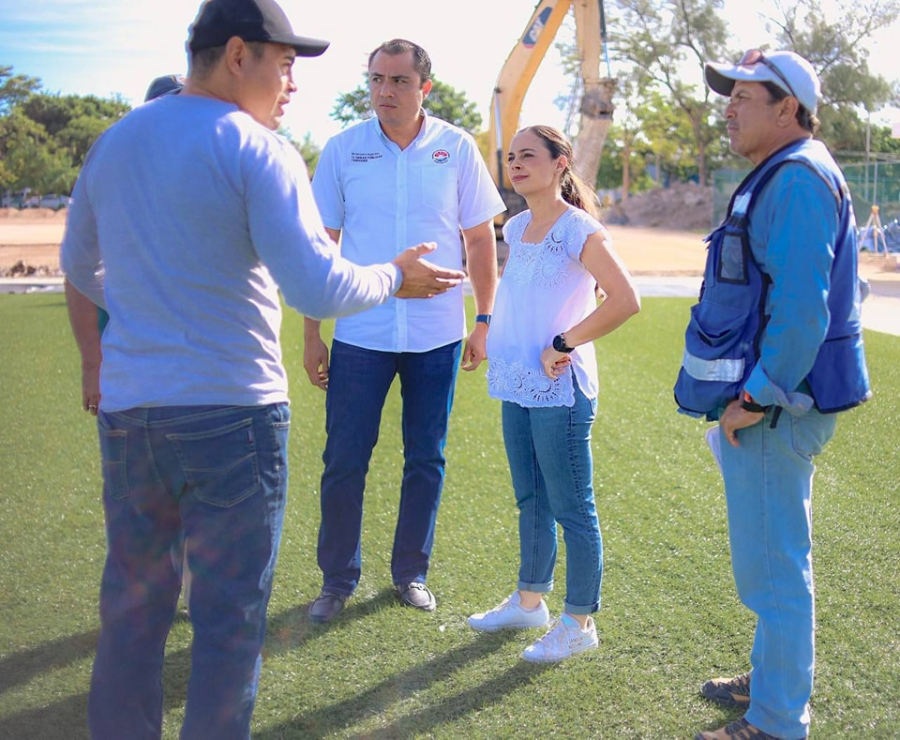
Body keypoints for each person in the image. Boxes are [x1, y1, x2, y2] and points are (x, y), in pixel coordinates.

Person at [60, 0, 465, 736]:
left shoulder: (115, 141)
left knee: (132, 616)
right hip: (230, 416)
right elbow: (316, 285)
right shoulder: (255, 147)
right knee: (227, 623)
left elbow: (80, 268)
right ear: (238, 54)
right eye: (285, 64)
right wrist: (391, 279)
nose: (292, 84)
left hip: (131, 416)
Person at [673, 50, 871, 740]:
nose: (728, 106)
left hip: (780, 406)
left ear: (788, 108)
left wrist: (754, 399)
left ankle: (777, 720)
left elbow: (802, 315)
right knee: (774, 556)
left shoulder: (795, 179)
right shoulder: (793, 172)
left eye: (744, 96)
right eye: (727, 95)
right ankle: (774, 677)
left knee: (775, 568)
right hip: (787, 400)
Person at [303, 38, 505, 622]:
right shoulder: (342, 150)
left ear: (424, 88)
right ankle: (336, 580)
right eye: (376, 80)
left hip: (437, 334)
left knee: (426, 458)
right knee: (344, 458)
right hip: (360, 333)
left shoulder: (456, 147)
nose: (385, 91)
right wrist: (314, 332)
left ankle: (410, 573)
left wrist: (484, 319)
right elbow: (324, 247)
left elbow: (478, 240)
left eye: (397, 81)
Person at [467, 125, 640, 662]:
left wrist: (564, 341)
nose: (516, 165)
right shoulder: (516, 227)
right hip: (516, 382)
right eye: (511, 157)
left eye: (528, 156)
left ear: (560, 163)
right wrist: (488, 333)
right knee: (531, 499)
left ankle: (580, 622)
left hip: (561, 389)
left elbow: (624, 298)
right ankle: (529, 601)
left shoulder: (578, 228)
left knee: (571, 506)